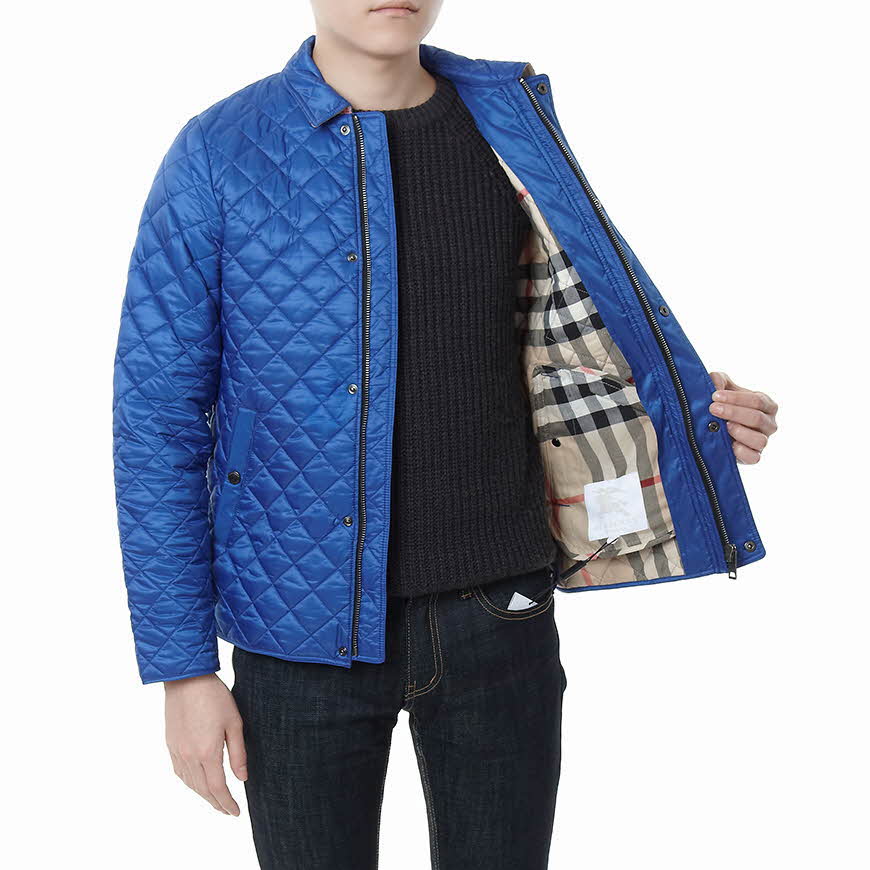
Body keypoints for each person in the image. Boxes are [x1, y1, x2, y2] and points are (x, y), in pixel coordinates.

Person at [112, 2, 779, 867]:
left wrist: (689, 413)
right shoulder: (220, 152)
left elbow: (565, 329)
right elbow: (156, 424)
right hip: (296, 631)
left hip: (500, 613)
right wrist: (184, 670)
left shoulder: (507, 122)